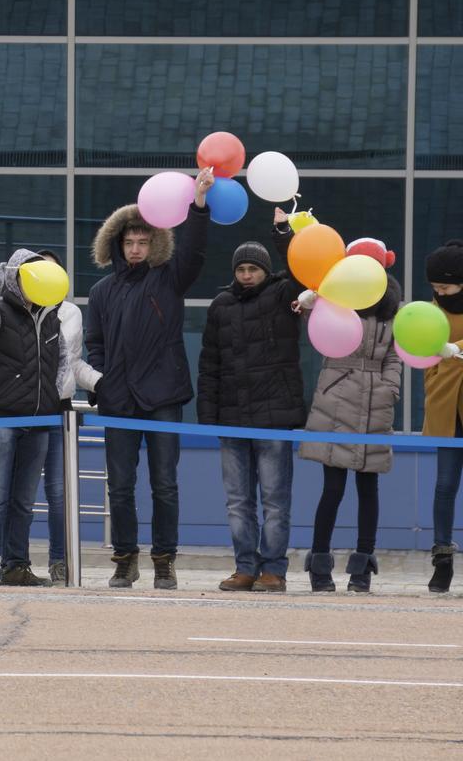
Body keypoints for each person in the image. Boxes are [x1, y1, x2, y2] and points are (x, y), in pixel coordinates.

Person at [84, 167, 213, 589]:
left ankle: (164, 561)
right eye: (129, 242)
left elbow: (193, 252)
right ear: (116, 245)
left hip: (162, 397)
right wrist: (101, 382)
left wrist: (197, 205)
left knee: (165, 484)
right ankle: (125, 560)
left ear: (154, 243)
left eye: (143, 242)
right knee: (119, 487)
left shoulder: (169, 278)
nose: (136, 249)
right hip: (118, 398)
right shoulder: (102, 292)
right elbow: (95, 343)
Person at [197, 210, 306, 592]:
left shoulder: (283, 293)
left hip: (273, 419)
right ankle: (245, 567)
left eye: (253, 268)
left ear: (264, 270)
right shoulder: (220, 305)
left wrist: (282, 232)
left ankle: (273, 570)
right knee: (237, 503)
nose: (246, 274)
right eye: (241, 268)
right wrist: (207, 417)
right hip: (231, 419)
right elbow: (208, 364)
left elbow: (303, 271)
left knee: (275, 501)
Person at [298, 251, 402, 594]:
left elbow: (393, 356)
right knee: (333, 488)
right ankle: (320, 564)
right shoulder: (337, 300)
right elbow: (313, 317)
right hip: (336, 401)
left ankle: (362, 567)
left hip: (375, 405)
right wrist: (310, 299)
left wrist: (389, 388)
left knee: (368, 490)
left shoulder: (391, 307)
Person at [0, 248, 74, 588]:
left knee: (24, 501)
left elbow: (60, 364)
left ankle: (16, 565)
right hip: (0, 416)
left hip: (41, 419)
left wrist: (54, 400)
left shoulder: (52, 315)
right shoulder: (0, 309)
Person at [35, 249, 100, 584]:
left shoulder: (72, 311)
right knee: (16, 493)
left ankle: (60, 561)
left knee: (60, 494)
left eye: (53, 269)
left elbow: (72, 362)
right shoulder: (21, 309)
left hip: (60, 410)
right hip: (25, 411)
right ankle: (10, 560)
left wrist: (100, 382)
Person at [419, 240, 463, 592]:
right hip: (446, 406)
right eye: (435, 287)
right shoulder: (433, 309)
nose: (440, 292)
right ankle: (442, 560)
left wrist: (457, 349)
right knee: (445, 485)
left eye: (445, 286)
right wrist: (433, 377)